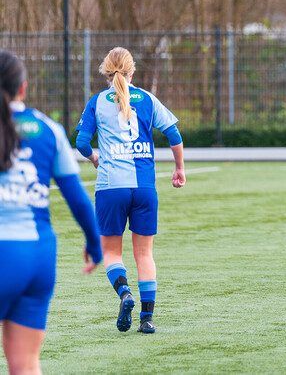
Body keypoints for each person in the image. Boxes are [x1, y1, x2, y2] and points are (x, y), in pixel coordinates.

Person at [0, 50, 101, 373]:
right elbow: (78, 199)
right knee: (26, 365)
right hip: (40, 258)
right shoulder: (48, 129)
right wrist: (96, 245)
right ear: (23, 88)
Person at [76, 47, 186, 334]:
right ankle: (147, 319)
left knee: (111, 252)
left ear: (106, 71)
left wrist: (94, 158)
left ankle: (125, 294)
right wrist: (179, 168)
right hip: (144, 188)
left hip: (111, 187)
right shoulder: (147, 99)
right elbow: (174, 135)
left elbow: (82, 143)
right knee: (145, 255)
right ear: (132, 71)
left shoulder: (98, 101)